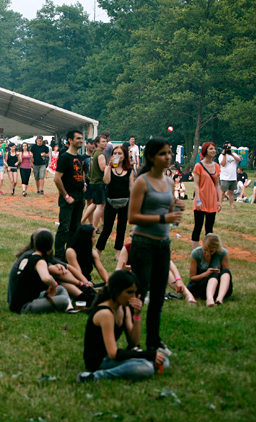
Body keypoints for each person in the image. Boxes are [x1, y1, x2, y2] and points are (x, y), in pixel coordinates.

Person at [127, 137, 182, 355]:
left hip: (163, 244)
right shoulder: (142, 182)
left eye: (169, 153)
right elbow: (133, 217)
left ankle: (154, 341)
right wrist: (163, 219)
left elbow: (168, 213)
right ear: (151, 157)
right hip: (143, 244)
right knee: (139, 295)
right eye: (162, 153)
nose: (167, 157)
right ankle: (134, 341)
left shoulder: (169, 182)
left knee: (158, 296)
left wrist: (176, 210)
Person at [76, 270, 168, 383]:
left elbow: (133, 342)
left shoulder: (123, 308)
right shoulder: (106, 313)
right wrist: (148, 355)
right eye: (129, 292)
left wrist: (136, 315)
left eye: (135, 292)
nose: (133, 297)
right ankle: (96, 376)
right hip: (101, 362)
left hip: (113, 359)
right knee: (147, 367)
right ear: (117, 291)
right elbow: (113, 353)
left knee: (164, 360)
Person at [7, 229, 73, 314]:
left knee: (60, 289)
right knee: (64, 300)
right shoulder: (39, 261)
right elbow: (46, 278)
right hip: (24, 306)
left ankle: (70, 309)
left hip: (22, 301)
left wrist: (55, 286)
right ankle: (67, 305)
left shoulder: (31, 256)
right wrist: (53, 284)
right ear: (50, 246)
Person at [117, 239, 196, 303]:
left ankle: (188, 295)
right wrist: (124, 271)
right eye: (131, 236)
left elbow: (169, 263)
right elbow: (117, 272)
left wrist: (178, 279)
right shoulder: (128, 248)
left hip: (152, 278)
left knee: (166, 271)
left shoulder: (152, 247)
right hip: (135, 281)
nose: (133, 239)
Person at [54, 130, 87, 260]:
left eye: (81, 138)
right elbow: (57, 179)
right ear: (70, 140)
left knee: (75, 228)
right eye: (78, 138)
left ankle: (70, 255)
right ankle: (58, 257)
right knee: (64, 228)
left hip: (79, 197)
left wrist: (84, 185)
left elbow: (81, 173)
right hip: (69, 197)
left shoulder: (79, 158)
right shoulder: (64, 157)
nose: (81, 140)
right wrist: (66, 196)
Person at [96, 145, 134, 260]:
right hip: (111, 202)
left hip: (125, 202)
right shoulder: (110, 169)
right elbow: (106, 181)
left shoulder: (129, 170)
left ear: (125, 155)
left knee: (121, 229)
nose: (117, 155)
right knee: (107, 229)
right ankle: (98, 252)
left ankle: (118, 253)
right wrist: (109, 166)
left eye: (120, 153)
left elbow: (132, 187)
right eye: (115, 153)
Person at [188, 233, 233, 306]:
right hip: (201, 286)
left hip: (218, 286)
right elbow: (192, 278)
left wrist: (219, 272)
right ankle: (209, 299)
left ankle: (219, 298)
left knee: (226, 272)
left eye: (211, 251)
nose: (207, 253)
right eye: (205, 250)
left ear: (217, 248)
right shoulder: (196, 253)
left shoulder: (222, 253)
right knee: (213, 274)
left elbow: (226, 274)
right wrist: (206, 274)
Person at [192, 142, 221, 249]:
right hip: (201, 199)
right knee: (198, 227)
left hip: (212, 200)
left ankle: (207, 250)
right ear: (205, 151)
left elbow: (217, 185)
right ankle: (195, 251)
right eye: (211, 149)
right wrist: (198, 200)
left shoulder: (217, 166)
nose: (213, 151)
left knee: (209, 228)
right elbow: (196, 184)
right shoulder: (198, 166)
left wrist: (219, 201)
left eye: (214, 149)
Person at [89, 134, 108, 232]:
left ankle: (84, 221)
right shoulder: (100, 154)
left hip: (93, 181)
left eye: (106, 141)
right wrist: (110, 167)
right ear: (97, 143)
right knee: (100, 206)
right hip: (99, 182)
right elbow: (103, 168)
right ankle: (95, 227)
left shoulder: (94, 153)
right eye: (103, 141)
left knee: (96, 204)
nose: (105, 143)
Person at [218, 142, 241, 209]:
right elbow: (223, 164)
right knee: (222, 192)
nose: (228, 148)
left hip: (233, 177)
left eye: (229, 147)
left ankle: (232, 205)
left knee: (231, 192)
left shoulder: (233, 154)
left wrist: (232, 154)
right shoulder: (221, 156)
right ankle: (219, 204)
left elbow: (239, 160)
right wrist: (225, 155)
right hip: (225, 177)